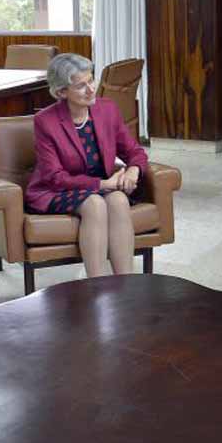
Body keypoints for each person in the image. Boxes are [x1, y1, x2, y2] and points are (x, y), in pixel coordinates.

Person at [26, 53, 149, 277]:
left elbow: (134, 151)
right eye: (81, 86)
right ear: (62, 92)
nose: (91, 89)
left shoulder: (107, 109)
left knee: (120, 200)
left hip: (102, 186)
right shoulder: (45, 121)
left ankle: (127, 284)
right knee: (94, 204)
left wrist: (133, 170)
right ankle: (96, 287)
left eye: (91, 80)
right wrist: (103, 184)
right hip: (57, 190)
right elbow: (55, 177)